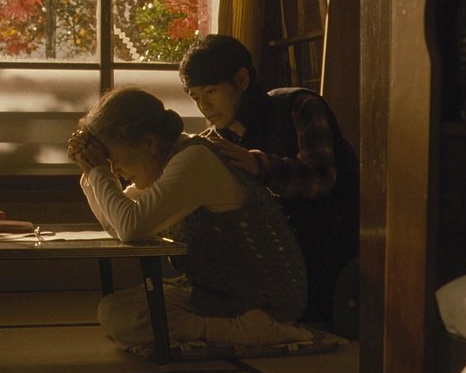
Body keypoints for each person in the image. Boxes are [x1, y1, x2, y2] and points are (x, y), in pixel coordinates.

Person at [67, 86, 312, 351]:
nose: (116, 171)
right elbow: (117, 224)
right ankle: (236, 327)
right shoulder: (163, 163)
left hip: (265, 297)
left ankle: (247, 330)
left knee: (131, 321)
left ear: (149, 143)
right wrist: (90, 171)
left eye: (114, 159)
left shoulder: (194, 159)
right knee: (113, 310)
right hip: (217, 292)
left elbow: (130, 227)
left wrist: (99, 172)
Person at [178, 34, 359, 325]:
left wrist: (260, 165)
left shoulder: (299, 106)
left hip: (328, 250)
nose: (204, 106)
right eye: (195, 97)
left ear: (241, 80)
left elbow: (320, 178)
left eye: (210, 91)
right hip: (272, 257)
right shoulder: (219, 135)